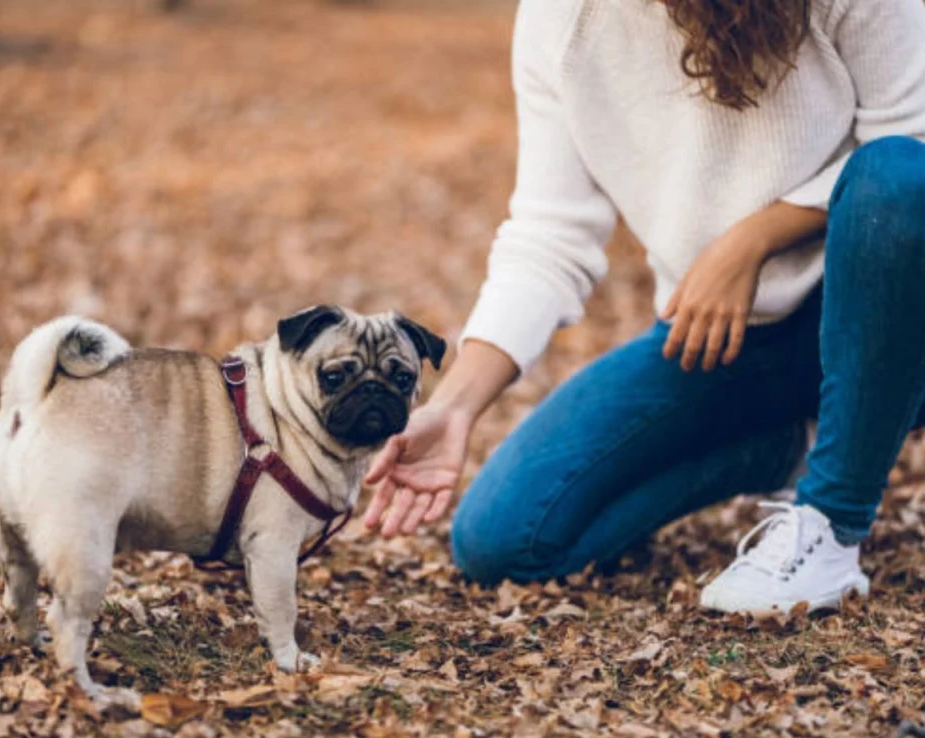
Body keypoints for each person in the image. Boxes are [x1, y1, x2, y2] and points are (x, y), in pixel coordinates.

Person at [362, 0, 925, 615]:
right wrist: (454, 406)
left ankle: (832, 524)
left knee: (894, 178)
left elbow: (913, 148)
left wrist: (755, 238)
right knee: (503, 539)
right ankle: (801, 443)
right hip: (734, 336)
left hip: (888, 304)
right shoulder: (561, 19)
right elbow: (549, 236)